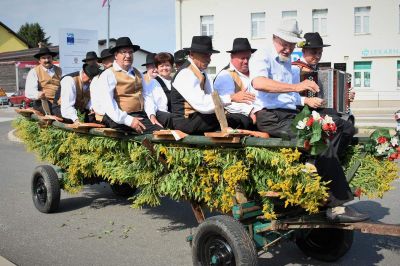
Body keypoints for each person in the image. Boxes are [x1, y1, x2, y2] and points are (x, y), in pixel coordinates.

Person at [249, 19, 368, 223]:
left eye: (292, 45)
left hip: (290, 115)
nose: (288, 49)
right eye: (284, 44)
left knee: (343, 127)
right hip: (270, 117)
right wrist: (298, 87)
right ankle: (336, 206)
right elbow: (259, 83)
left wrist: (304, 98)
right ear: (274, 38)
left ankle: (315, 166)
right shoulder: (262, 55)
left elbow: (290, 98)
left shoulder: (287, 62)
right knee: (318, 140)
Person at [96, 37, 162, 134]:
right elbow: (108, 104)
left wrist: (151, 114)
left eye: (130, 52)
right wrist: (129, 120)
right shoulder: (108, 74)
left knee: (167, 121)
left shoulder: (138, 72)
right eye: (123, 52)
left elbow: (146, 95)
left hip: (140, 114)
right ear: (115, 55)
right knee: (158, 132)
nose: (128, 55)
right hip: (119, 117)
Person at [170, 36, 221, 134]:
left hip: (196, 117)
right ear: (192, 55)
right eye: (205, 56)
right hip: (186, 121)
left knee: (236, 118)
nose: (209, 59)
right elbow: (202, 104)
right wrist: (230, 98)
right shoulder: (185, 73)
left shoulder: (203, 73)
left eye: (209, 55)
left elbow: (211, 96)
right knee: (230, 119)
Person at [292, 32, 355, 102]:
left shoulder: (322, 70)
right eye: (314, 52)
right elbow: (288, 96)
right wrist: (306, 101)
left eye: (320, 53)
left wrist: (345, 96)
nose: (317, 56)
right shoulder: (295, 69)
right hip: (300, 111)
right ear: (303, 51)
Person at [213, 38, 257, 129]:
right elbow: (228, 103)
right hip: (240, 121)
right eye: (242, 58)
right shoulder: (225, 75)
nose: (246, 61)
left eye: (248, 58)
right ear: (232, 57)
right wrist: (251, 111)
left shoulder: (255, 72)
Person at [25, 47, 62, 114]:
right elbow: (29, 91)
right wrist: (38, 94)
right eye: (44, 58)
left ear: (52, 59)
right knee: (58, 113)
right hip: (43, 102)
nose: (47, 60)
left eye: (49, 57)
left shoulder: (60, 70)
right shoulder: (34, 72)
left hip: (59, 101)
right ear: (39, 61)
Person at [145, 52, 176, 128]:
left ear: (172, 66)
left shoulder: (176, 81)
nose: (164, 68)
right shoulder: (153, 82)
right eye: (161, 66)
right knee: (172, 118)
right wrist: (152, 115)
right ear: (157, 68)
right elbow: (149, 101)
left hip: (175, 114)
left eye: (167, 65)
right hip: (161, 114)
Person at [90, 48, 114, 122]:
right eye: (109, 60)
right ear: (103, 63)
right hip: (104, 115)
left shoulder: (118, 74)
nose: (113, 61)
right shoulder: (97, 79)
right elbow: (97, 103)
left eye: (113, 58)